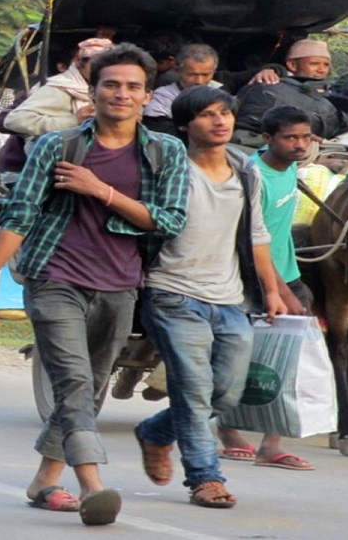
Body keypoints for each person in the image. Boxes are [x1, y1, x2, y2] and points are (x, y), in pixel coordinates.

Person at [0, 44, 190, 526]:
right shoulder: (56, 146)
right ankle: (92, 485)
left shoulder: (166, 151)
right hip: (54, 276)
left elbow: (168, 221)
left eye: (132, 87)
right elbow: (19, 220)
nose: (121, 94)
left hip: (122, 284)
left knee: (92, 386)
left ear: (146, 96)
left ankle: (44, 479)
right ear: (94, 90)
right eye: (111, 85)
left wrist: (99, 190)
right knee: (76, 382)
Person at [133, 87, 287, 509]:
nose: (220, 121)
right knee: (194, 390)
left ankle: (156, 432)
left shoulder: (245, 170)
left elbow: (257, 234)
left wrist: (271, 290)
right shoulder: (168, 167)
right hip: (172, 293)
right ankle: (205, 477)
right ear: (185, 125)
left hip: (231, 299)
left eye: (225, 113)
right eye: (207, 115)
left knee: (226, 394)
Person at [215, 105, 315, 471]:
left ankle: (271, 443)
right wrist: (281, 292)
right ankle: (228, 430)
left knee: (288, 357)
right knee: (239, 356)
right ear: (267, 138)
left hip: (287, 272)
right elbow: (255, 239)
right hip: (254, 277)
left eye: (305, 137)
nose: (300, 145)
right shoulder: (252, 175)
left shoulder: (290, 168)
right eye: (290, 138)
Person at [236, 39, 348, 145]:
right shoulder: (269, 87)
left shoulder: (322, 95)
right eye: (314, 64)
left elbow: (347, 102)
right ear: (292, 65)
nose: (321, 70)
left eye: (326, 64)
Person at [141, 44, 282, 135]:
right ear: (177, 71)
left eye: (206, 74)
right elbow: (160, 133)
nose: (199, 81)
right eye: (192, 74)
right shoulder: (162, 98)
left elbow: (275, 68)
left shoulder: (222, 81)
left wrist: (269, 70)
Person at [1, 38, 113, 138]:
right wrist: (74, 121)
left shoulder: (108, 90)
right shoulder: (61, 87)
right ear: (78, 61)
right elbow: (14, 120)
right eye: (97, 63)